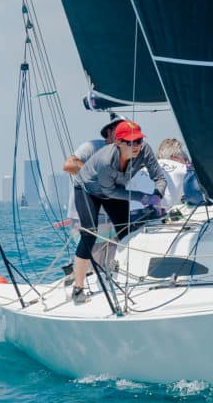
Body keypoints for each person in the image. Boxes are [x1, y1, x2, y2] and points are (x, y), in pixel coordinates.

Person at [70, 120, 168, 303]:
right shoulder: (106, 161)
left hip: (115, 188)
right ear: (118, 142)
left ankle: (127, 275)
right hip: (88, 190)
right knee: (89, 233)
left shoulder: (145, 150)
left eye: (138, 140)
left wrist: (157, 195)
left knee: (126, 232)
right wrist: (143, 197)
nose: (136, 146)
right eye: (130, 142)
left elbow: (160, 178)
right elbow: (110, 192)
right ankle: (78, 288)